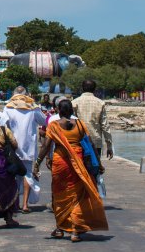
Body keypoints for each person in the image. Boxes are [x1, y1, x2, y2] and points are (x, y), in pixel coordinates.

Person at [33, 99, 108, 242]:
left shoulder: (54, 126)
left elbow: (46, 146)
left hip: (60, 163)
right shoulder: (79, 125)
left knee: (59, 194)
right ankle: (75, 230)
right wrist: (98, 163)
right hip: (78, 163)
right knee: (78, 195)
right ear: (72, 111)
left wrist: (37, 163)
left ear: (58, 111)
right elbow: (91, 144)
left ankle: (60, 229)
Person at [4, 86, 47, 212]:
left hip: (13, 146)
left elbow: (2, 124)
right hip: (28, 145)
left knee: (14, 174)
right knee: (27, 173)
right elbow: (44, 121)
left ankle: (15, 203)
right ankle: (25, 205)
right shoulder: (33, 107)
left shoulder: (8, 107)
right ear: (26, 94)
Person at [71, 79, 114, 167]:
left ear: (82, 89)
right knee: (95, 168)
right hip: (95, 142)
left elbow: (71, 123)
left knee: (81, 169)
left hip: (79, 141)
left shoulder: (74, 103)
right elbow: (105, 126)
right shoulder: (100, 103)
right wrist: (109, 146)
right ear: (95, 89)